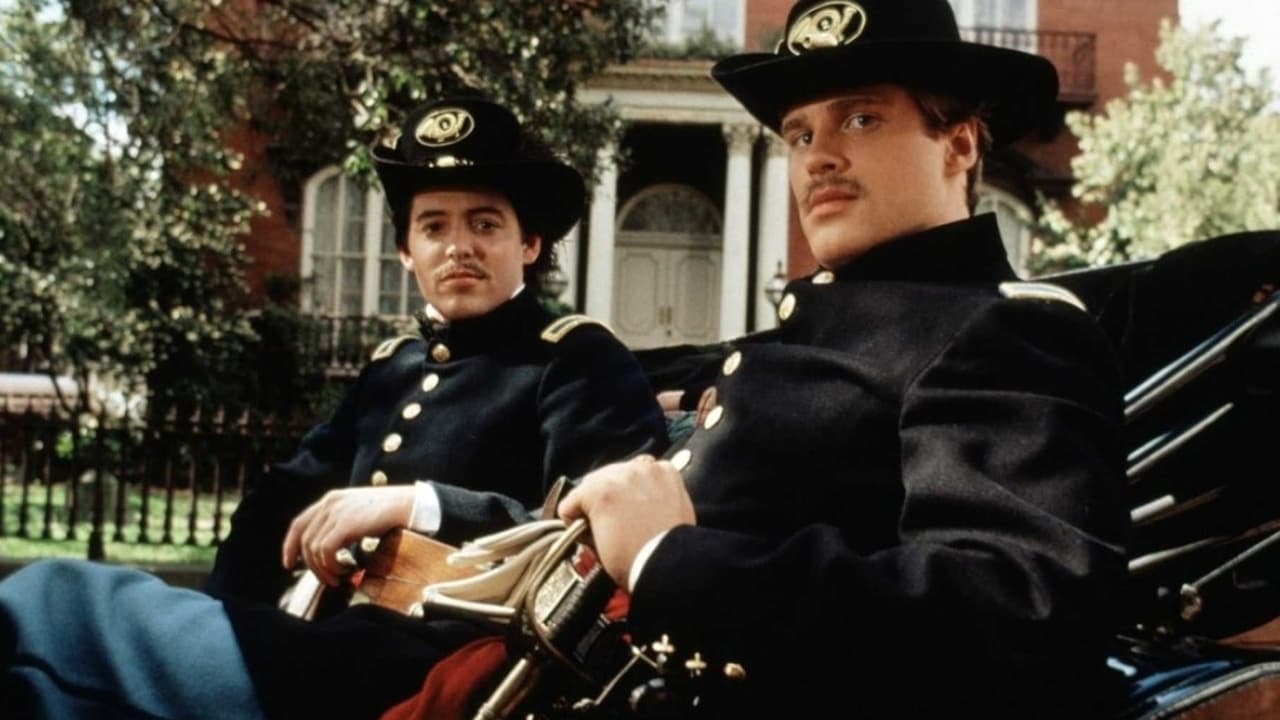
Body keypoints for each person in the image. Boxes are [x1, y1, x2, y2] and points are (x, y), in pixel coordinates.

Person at [0, 96, 668, 719]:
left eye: (485, 224)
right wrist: (227, 618)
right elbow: (276, 507)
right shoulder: (394, 365)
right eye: (433, 226)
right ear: (407, 252)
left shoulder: (576, 358)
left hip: (440, 661)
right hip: (320, 641)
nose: (458, 246)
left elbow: (597, 541)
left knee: (53, 604)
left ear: (528, 245)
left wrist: (421, 505)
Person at [555, 1, 1129, 717]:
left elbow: (1020, 613)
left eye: (860, 119)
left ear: (957, 145)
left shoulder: (1005, 330)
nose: (817, 156)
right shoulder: (820, 329)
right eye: (800, 133)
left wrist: (668, 557)